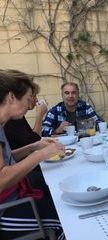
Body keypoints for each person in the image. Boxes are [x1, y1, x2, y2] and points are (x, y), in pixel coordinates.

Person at [0, 70, 65, 240]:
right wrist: (41, 154)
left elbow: (6, 159)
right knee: (65, 219)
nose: (31, 102)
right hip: (5, 212)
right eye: (29, 97)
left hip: (16, 197)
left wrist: (33, 147)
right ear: (11, 97)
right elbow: (1, 179)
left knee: (59, 197)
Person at [4, 79, 47, 149]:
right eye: (31, 96)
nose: (36, 100)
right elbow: (33, 142)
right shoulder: (8, 120)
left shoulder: (18, 116)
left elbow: (31, 141)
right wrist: (40, 116)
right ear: (12, 97)